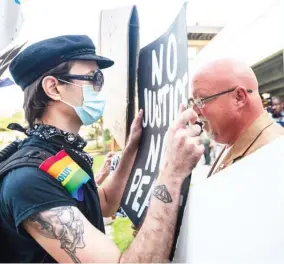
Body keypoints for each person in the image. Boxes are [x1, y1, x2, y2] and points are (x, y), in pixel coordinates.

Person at [0, 35, 204, 263]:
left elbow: (104, 202)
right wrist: (172, 173)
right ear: (54, 88)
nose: (100, 88)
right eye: (93, 79)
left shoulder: (54, 157)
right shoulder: (30, 180)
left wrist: (131, 151)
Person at [189, 58, 284, 177]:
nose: (195, 112)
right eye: (193, 102)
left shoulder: (273, 155)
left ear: (239, 97)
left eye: (200, 101)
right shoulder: (236, 142)